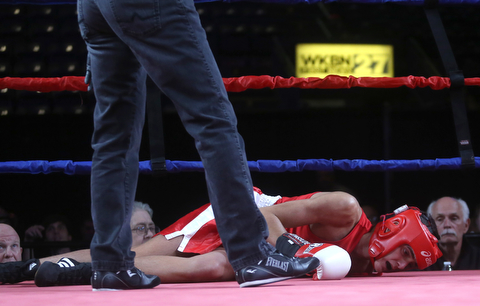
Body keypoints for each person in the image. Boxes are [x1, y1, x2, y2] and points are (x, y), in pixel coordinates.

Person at [76, 0, 318, 290]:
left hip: (94, 6)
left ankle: (110, 266)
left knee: (114, 137)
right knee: (213, 120)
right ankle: (251, 254)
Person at [1, 188, 442, 286]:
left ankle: (36, 268)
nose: (401, 265)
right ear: (390, 229)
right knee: (211, 264)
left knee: (213, 266)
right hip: (241, 214)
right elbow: (266, 213)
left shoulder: (369, 268)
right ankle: (40, 269)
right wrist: (291, 249)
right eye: (406, 253)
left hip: (258, 250)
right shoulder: (345, 210)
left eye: (411, 265)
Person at [425, 197, 480, 270]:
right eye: (440, 219)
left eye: (454, 218)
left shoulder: (477, 258)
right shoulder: (421, 262)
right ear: (430, 227)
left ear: (466, 225)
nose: (447, 225)